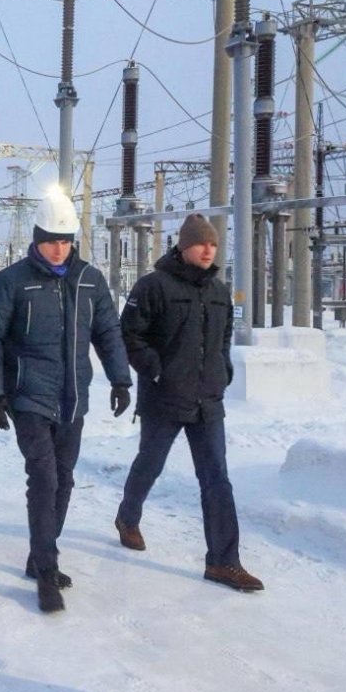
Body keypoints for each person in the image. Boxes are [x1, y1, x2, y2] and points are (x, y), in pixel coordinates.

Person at [0, 188, 132, 613]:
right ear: (36, 239)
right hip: (29, 397)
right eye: (51, 241)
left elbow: (108, 332)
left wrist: (120, 379)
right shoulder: (12, 281)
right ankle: (46, 571)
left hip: (73, 399)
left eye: (65, 241)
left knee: (64, 480)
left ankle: (39, 553)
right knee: (43, 480)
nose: (58, 249)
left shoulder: (90, 281)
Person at [114, 213, 264, 592]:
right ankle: (128, 517)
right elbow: (129, 334)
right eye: (201, 243)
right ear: (183, 247)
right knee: (150, 464)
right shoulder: (153, 286)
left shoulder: (219, 291)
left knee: (217, 479)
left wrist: (223, 368)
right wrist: (156, 370)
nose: (208, 250)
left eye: (213, 244)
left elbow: (225, 335)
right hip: (164, 398)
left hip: (208, 400)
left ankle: (224, 562)